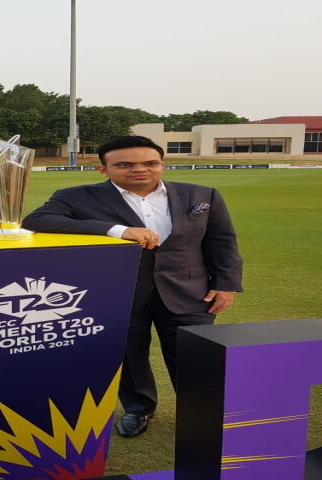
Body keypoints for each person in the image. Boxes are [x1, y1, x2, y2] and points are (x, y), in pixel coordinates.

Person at [22, 135, 242, 438]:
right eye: (125, 165)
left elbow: (222, 241)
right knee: (129, 356)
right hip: (118, 293)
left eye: (150, 163)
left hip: (190, 291)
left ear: (162, 164)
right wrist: (117, 230)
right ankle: (139, 408)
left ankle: (200, 412)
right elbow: (36, 220)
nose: (140, 169)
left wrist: (226, 284)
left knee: (195, 357)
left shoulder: (202, 195)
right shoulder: (76, 197)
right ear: (103, 169)